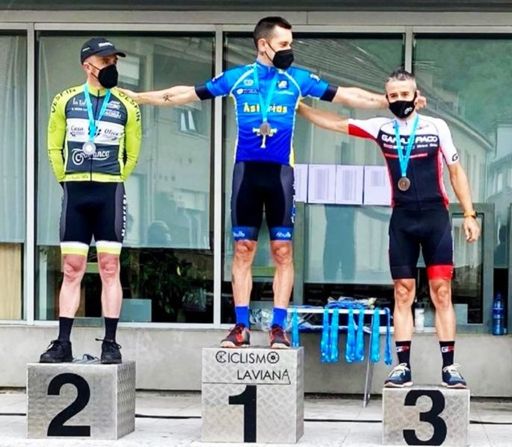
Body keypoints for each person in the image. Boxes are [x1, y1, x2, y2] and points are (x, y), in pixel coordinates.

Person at [122, 17, 422, 349]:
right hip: (246, 175)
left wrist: (388, 101)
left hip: (280, 175)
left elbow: (346, 96)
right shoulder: (238, 78)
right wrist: (138, 97)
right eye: (284, 44)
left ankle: (278, 327)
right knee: (243, 250)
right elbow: (184, 94)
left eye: (290, 44)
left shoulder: (297, 79)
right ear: (263, 45)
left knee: (282, 251)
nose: (289, 50)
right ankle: (240, 326)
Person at [298, 68, 480, 388]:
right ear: (386, 98)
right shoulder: (380, 128)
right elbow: (335, 123)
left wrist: (468, 213)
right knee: (402, 292)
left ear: (416, 95)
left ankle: (449, 367)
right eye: (393, 95)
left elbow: (456, 171)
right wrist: (298, 106)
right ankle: (403, 367)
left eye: (404, 94)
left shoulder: (436, 126)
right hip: (403, 220)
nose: (399, 100)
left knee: (442, 292)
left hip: (436, 218)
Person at [40, 37, 142, 364]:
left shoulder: (127, 104)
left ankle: (110, 343)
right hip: (76, 192)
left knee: (110, 267)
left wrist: (116, 177)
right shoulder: (65, 100)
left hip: (109, 192)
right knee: (72, 268)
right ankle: (62, 343)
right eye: (106, 61)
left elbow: (133, 151)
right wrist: (66, 179)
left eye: (114, 61)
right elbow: (54, 146)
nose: (112, 66)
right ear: (88, 66)